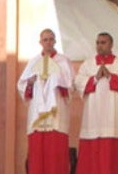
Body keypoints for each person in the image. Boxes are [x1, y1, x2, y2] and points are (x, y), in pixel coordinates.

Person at [74, 32, 118, 174]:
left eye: (103, 42)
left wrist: (110, 76)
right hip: (92, 117)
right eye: (98, 42)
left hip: (113, 118)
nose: (99, 46)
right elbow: (78, 82)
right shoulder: (87, 64)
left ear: (111, 45)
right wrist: (95, 78)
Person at [16, 29, 74, 174]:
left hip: (56, 112)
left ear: (55, 41)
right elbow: (22, 85)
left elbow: (71, 85)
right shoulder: (34, 61)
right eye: (45, 39)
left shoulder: (63, 61)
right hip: (37, 114)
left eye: (51, 39)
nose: (48, 42)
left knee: (55, 154)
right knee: (37, 154)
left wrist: (55, 78)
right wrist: (30, 82)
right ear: (40, 42)